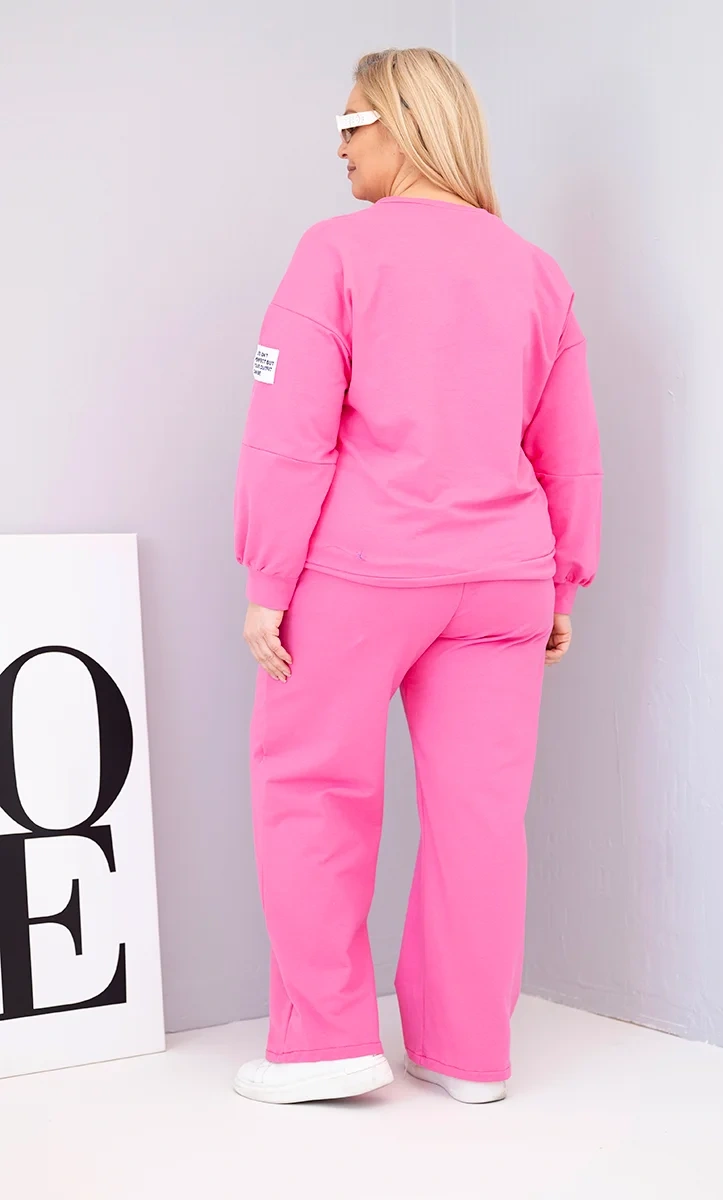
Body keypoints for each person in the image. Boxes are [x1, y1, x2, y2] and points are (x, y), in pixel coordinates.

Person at [232, 46, 602, 1106]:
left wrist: (268, 581)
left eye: (350, 126)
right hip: (505, 578)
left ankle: (324, 1046)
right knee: (479, 816)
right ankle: (465, 1051)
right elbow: (570, 449)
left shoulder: (337, 253)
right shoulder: (535, 271)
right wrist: (562, 583)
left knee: (313, 792)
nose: (339, 149)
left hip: (362, 572)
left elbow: (289, 431)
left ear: (400, 123)